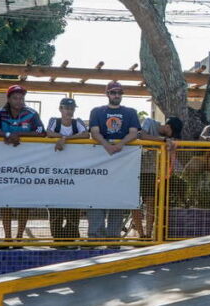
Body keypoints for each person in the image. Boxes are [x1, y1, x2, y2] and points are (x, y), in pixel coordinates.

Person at [0, 85, 46, 248]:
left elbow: (41, 132)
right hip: (4, 166)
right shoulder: (1, 112)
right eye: (15, 98)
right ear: (9, 99)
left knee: (23, 202)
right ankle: (7, 238)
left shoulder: (31, 113)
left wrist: (18, 135)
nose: (19, 101)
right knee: (5, 202)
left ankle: (19, 238)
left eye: (21, 98)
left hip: (26, 166)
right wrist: (7, 134)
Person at [87, 81, 140, 240]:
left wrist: (119, 145)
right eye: (113, 92)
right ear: (107, 94)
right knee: (96, 197)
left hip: (124, 162)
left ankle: (113, 238)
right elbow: (94, 132)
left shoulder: (130, 112)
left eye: (119, 92)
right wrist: (107, 146)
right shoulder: (97, 111)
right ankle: (95, 238)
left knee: (118, 199)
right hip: (100, 161)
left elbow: (133, 132)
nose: (117, 95)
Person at [44, 98, 89, 244]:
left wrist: (65, 139)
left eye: (71, 108)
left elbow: (85, 134)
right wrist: (64, 137)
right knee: (55, 207)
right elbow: (49, 133)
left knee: (73, 206)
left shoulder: (78, 122)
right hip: (55, 171)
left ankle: (70, 237)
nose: (69, 111)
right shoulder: (54, 121)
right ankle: (57, 238)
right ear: (60, 109)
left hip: (74, 172)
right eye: (66, 108)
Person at [136, 116, 183, 238]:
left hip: (151, 171)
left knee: (150, 201)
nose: (171, 136)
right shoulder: (149, 122)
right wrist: (163, 140)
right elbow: (142, 136)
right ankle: (140, 234)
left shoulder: (169, 140)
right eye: (172, 133)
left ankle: (148, 235)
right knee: (133, 203)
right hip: (134, 168)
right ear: (167, 127)